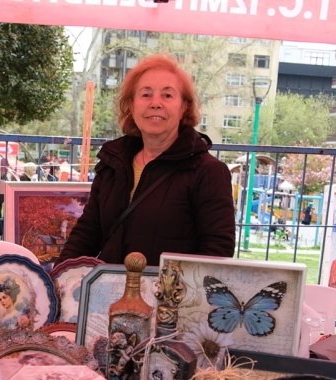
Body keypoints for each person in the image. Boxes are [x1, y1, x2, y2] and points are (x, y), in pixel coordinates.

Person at [57, 53, 235, 266]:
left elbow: (217, 252)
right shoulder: (113, 163)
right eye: (146, 94)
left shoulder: (208, 172)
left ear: (184, 107)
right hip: (109, 287)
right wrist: (60, 275)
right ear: (131, 105)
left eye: (167, 95)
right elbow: (87, 234)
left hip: (170, 288)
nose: (155, 103)